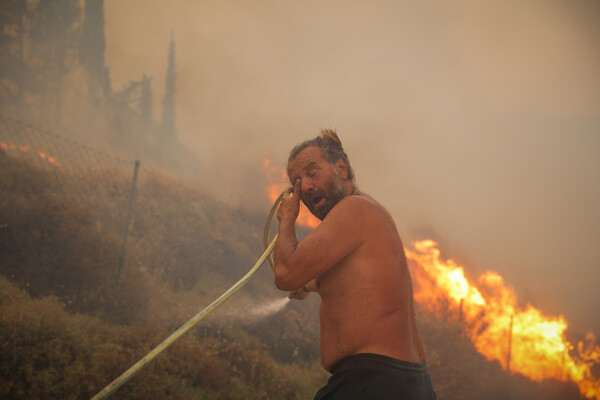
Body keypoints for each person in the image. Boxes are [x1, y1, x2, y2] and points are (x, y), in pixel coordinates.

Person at [274, 129, 436, 399]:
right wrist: (311, 285)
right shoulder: (367, 213)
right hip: (404, 383)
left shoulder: (354, 209)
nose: (306, 187)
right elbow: (345, 278)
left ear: (342, 168)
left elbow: (286, 274)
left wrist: (287, 219)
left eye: (312, 173)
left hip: (373, 381)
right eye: (298, 182)